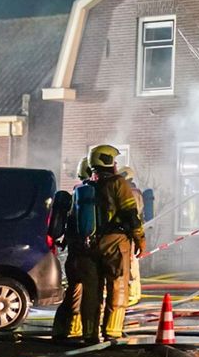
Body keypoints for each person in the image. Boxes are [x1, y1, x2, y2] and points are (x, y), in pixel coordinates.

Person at [79, 144, 145, 342]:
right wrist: (139, 239)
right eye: (113, 160)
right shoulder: (119, 184)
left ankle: (89, 333)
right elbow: (130, 215)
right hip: (115, 244)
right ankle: (112, 331)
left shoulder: (85, 187)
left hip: (89, 245)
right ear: (107, 161)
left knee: (91, 292)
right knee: (118, 287)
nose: (116, 164)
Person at [51, 157, 91, 343]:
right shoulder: (91, 197)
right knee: (84, 292)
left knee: (73, 290)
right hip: (86, 254)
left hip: (73, 254)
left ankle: (61, 328)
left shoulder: (75, 196)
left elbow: (68, 227)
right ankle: (75, 330)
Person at [117, 166, 145, 308]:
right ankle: (130, 293)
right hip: (130, 233)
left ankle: (133, 295)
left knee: (132, 263)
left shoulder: (131, 193)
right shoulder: (135, 192)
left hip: (129, 233)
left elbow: (131, 214)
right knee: (129, 263)